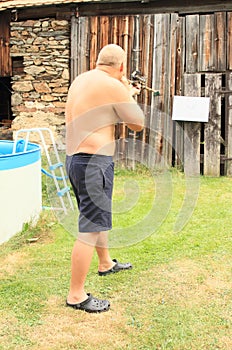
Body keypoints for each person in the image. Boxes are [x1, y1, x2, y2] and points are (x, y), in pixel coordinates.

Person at [65, 44, 145, 313]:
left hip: (78, 160)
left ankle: (105, 263)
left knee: (97, 219)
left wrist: (124, 92)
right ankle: (76, 295)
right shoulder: (112, 86)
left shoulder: (82, 80)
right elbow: (137, 122)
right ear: (121, 67)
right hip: (92, 162)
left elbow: (100, 110)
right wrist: (128, 94)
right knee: (90, 227)